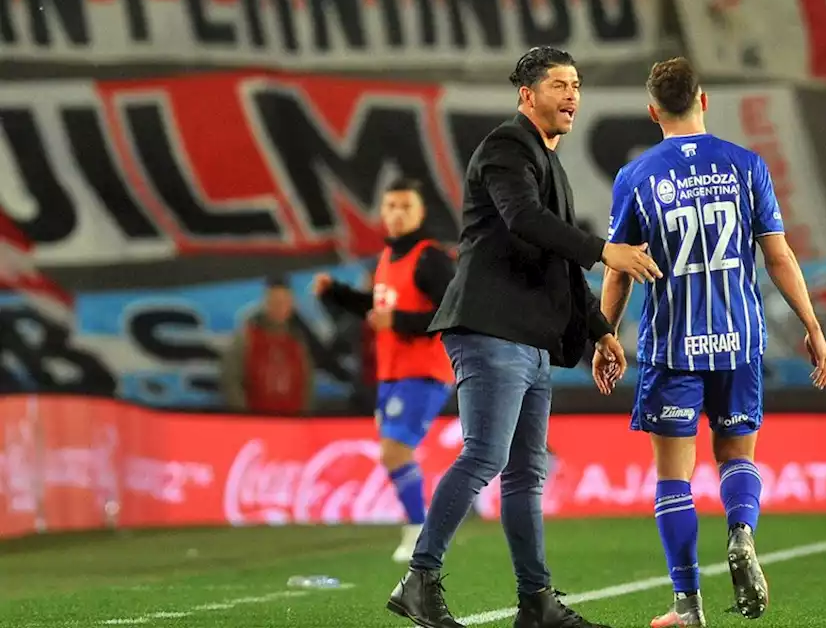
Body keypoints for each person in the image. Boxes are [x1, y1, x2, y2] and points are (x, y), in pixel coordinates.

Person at [384, 47, 661, 628]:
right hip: (490, 330)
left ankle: (535, 603)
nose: (572, 95)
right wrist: (603, 250)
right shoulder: (508, 147)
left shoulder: (547, 162)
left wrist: (601, 331)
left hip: (527, 338)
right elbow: (524, 221)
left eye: (577, 84)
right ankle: (420, 578)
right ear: (526, 95)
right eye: (559, 84)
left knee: (525, 472)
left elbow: (555, 258)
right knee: (486, 454)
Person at [592, 57, 826, 627]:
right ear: (703, 101)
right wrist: (813, 327)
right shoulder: (747, 165)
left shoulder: (637, 177)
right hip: (738, 342)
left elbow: (619, 269)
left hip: (672, 346)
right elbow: (777, 254)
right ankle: (742, 533)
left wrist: (604, 335)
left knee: (674, 476)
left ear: (653, 112)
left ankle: (688, 606)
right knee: (736, 457)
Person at [312, 178, 457, 563]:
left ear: (421, 212)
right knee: (394, 452)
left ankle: (419, 531)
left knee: (393, 451)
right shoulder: (387, 258)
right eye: (391, 206)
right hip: (391, 373)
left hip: (423, 370)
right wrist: (336, 293)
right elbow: (378, 310)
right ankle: (421, 527)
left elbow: (451, 313)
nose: (396, 213)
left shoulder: (430, 258)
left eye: (405, 206)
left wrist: (399, 321)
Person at [221, 276, 315, 415]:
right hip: (256, 424)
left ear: (291, 305)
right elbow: (230, 380)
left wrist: (304, 417)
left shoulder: (298, 342)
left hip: (293, 424)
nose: (280, 308)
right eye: (275, 302)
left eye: (285, 302)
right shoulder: (246, 338)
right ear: (266, 304)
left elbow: (308, 385)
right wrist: (244, 416)